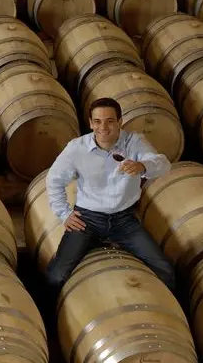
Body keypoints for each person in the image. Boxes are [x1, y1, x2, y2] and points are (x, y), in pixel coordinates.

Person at [45, 97, 175, 292]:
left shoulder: (134, 142)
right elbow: (54, 180)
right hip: (87, 219)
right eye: (97, 121)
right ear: (90, 123)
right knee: (57, 275)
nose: (103, 127)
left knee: (165, 270)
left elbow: (163, 164)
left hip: (124, 220)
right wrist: (64, 214)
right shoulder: (77, 148)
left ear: (120, 122)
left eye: (110, 121)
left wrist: (142, 165)